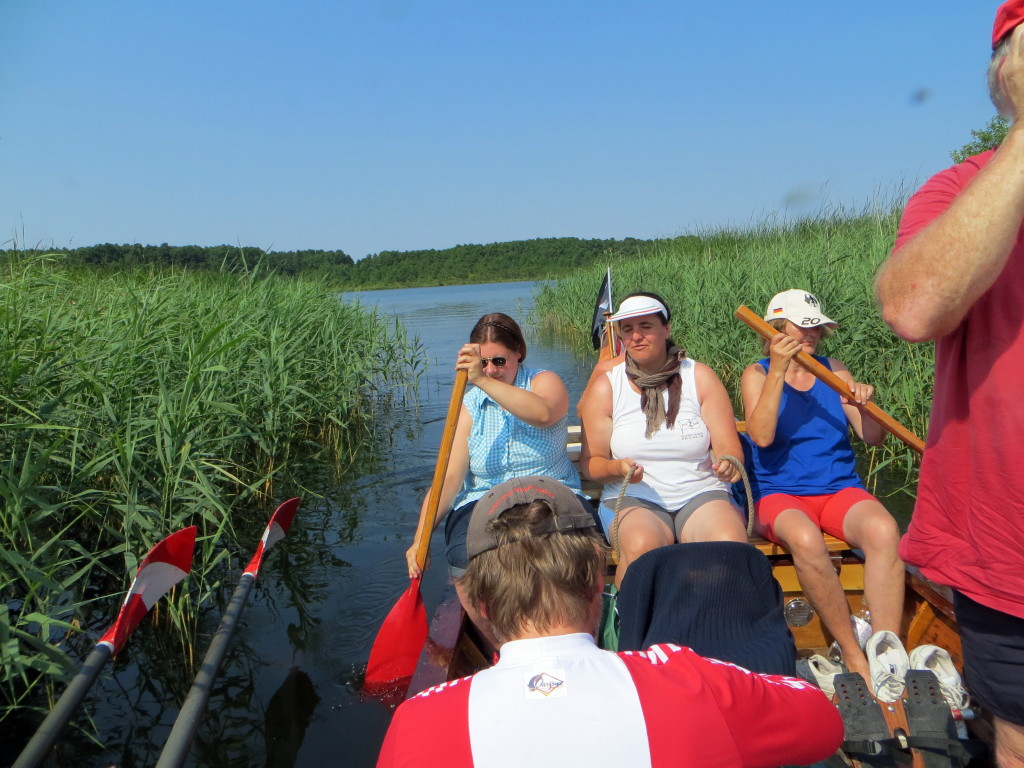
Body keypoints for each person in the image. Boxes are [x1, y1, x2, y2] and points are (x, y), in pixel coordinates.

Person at [378, 476, 845, 768]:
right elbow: (822, 724)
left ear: (480, 605)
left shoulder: (416, 723)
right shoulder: (691, 680)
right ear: (596, 585)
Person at [874, 3, 1024, 763]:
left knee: (873, 529)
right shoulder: (959, 191)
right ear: (1006, 75)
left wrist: (858, 404)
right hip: (1010, 553)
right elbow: (913, 307)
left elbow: (860, 433)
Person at [739, 289, 903, 687]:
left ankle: (887, 652)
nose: (811, 334)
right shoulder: (757, 373)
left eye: (816, 327)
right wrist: (779, 370)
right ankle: (852, 653)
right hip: (778, 492)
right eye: (801, 326)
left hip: (838, 488)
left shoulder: (836, 371)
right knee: (806, 539)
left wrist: (865, 405)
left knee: (885, 531)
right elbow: (760, 437)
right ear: (776, 329)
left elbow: (873, 438)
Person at [405, 313, 585, 645]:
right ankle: (500, 646)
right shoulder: (469, 403)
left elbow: (544, 413)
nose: (490, 371)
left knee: (574, 550)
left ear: (519, 353)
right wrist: (421, 538)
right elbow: (449, 478)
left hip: (549, 490)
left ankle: (573, 634)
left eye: (499, 361)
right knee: (462, 559)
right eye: (483, 363)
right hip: (486, 499)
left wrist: (482, 380)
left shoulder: (544, 382)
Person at [578, 293, 748, 587]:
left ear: (666, 329)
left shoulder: (699, 376)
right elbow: (592, 463)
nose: (636, 336)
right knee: (643, 547)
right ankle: (629, 616)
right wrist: (617, 469)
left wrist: (729, 463)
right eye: (627, 329)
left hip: (700, 492)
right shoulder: (608, 386)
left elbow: (728, 446)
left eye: (646, 326)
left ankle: (715, 614)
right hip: (634, 498)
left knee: (728, 543)